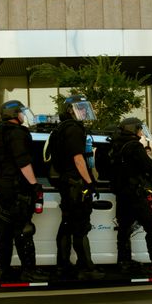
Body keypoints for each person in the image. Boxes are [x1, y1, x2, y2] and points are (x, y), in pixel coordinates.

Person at [0, 100, 48, 282]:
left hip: (3, 187)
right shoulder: (16, 133)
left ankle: (3, 270)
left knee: (5, 231)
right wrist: (34, 184)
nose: (23, 116)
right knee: (24, 229)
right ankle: (28, 270)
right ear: (14, 114)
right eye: (21, 112)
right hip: (17, 188)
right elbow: (23, 161)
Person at [110, 117, 152, 274]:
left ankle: (124, 262)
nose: (140, 131)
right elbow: (150, 166)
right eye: (139, 128)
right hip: (135, 194)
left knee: (124, 229)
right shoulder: (134, 146)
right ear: (132, 129)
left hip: (122, 195)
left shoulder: (115, 145)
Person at [54, 94, 104, 280]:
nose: (83, 111)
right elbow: (78, 159)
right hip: (76, 185)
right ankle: (86, 266)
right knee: (80, 226)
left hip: (67, 184)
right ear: (70, 110)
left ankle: (63, 265)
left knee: (67, 225)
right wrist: (89, 184)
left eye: (84, 108)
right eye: (80, 108)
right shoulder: (74, 129)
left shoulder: (61, 129)